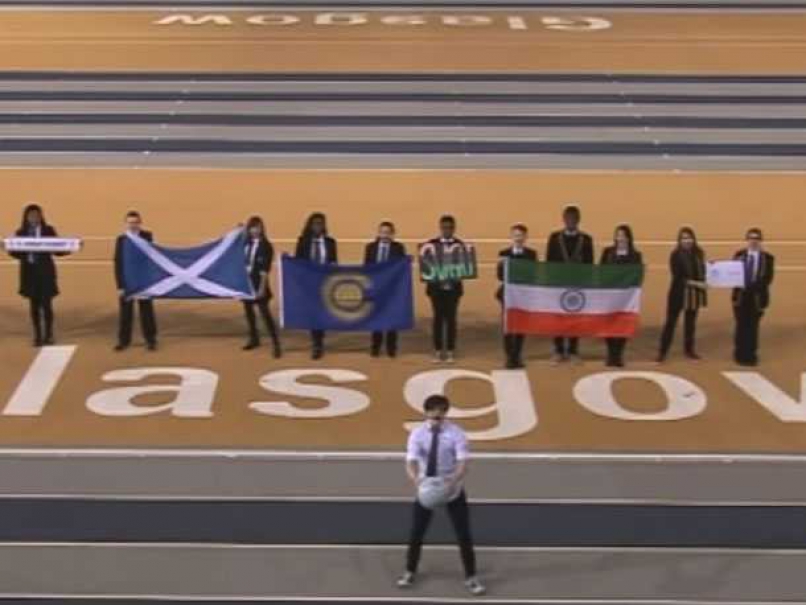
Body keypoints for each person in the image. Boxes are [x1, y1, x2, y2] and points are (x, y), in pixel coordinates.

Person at [397, 394, 485, 596]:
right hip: (427, 489)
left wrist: (451, 483)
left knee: (464, 535)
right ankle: (409, 571)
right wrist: (416, 480)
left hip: (452, 489)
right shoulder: (417, 435)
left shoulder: (457, 434)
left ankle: (471, 577)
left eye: (441, 414)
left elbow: (463, 463)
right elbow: (410, 460)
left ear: (445, 413)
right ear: (426, 413)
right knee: (416, 533)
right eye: (434, 414)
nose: (437, 417)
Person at [8, 204, 68, 347]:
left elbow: (57, 249)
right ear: (26, 218)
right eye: (31, 215)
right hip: (29, 274)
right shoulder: (21, 233)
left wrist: (71, 247)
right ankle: (38, 336)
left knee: (47, 306)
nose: (34, 218)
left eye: (37, 215)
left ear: (41, 216)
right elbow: (17, 254)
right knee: (34, 307)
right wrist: (8, 248)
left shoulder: (48, 231)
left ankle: (49, 334)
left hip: (45, 274)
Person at [546, 205, 594, 364]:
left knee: (575, 318)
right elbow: (549, 262)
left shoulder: (586, 240)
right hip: (558, 285)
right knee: (557, 318)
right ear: (564, 219)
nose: (570, 222)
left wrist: (587, 284)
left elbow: (589, 264)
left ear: (578, 221)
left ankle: (573, 350)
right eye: (568, 219)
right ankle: (558, 350)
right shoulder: (554, 238)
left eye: (573, 220)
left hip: (577, 285)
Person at [656, 226, 707, 363]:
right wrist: (697, 284)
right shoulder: (675, 255)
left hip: (693, 295)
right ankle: (662, 351)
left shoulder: (699, 253)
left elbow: (702, 270)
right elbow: (678, 277)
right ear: (680, 240)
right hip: (678, 294)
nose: (687, 241)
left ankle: (689, 350)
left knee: (690, 323)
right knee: (671, 322)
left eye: (689, 238)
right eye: (684, 238)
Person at [294, 212, 337, 360]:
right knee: (314, 313)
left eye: (321, 224)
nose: (318, 227)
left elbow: (334, 263)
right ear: (310, 226)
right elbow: (297, 263)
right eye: (315, 224)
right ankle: (317, 343)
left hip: (325, 283)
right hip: (309, 283)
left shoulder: (331, 242)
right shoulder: (303, 242)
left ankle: (320, 334)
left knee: (323, 312)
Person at [113, 211, 158, 352]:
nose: (133, 225)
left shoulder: (147, 236)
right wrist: (120, 285)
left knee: (147, 312)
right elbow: (118, 262)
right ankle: (123, 341)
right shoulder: (121, 239)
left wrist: (151, 281)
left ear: (140, 223)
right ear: (126, 223)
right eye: (130, 222)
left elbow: (152, 259)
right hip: (127, 282)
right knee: (125, 313)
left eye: (135, 222)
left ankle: (151, 340)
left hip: (143, 281)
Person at [599, 224, 643, 367]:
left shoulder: (635, 255)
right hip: (610, 295)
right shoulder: (607, 252)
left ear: (628, 238)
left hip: (626, 297)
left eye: (623, 235)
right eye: (618, 235)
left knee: (623, 324)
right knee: (609, 323)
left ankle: (619, 354)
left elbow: (638, 275)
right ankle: (611, 353)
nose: (620, 238)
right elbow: (601, 270)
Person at [496, 223, 538, 369]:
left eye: (520, 236)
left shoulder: (532, 254)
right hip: (508, 294)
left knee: (521, 326)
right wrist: (503, 266)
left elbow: (533, 274)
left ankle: (517, 355)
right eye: (515, 235)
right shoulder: (504, 254)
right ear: (512, 236)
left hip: (524, 296)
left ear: (525, 237)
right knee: (507, 326)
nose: (518, 238)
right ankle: (509, 356)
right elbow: (500, 276)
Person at [425, 215, 465, 364]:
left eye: (450, 228)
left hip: (453, 289)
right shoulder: (430, 245)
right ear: (440, 228)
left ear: (454, 229)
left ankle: (450, 350)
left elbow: (464, 268)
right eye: (444, 228)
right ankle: (437, 350)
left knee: (451, 320)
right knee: (437, 320)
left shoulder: (460, 245)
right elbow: (426, 266)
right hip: (436, 290)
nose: (447, 230)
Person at [732, 228, 774, 366]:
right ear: (747, 240)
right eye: (751, 238)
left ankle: (751, 355)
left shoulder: (768, 258)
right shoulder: (739, 255)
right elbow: (731, 273)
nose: (754, 241)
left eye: (756, 238)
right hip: (741, 297)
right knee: (741, 326)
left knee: (753, 327)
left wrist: (751, 286)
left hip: (757, 298)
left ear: (760, 240)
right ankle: (739, 353)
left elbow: (768, 278)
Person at [364, 220, 406, 358]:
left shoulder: (398, 248)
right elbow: (366, 268)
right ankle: (375, 346)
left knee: (392, 318)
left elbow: (401, 268)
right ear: (378, 233)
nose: (384, 235)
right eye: (382, 232)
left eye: (387, 233)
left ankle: (391, 347)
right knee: (376, 317)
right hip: (376, 287)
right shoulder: (370, 248)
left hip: (392, 288)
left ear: (392, 234)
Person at [242, 216, 282, 358]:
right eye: (252, 227)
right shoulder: (246, 243)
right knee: (249, 313)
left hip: (259, 284)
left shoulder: (266, 246)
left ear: (262, 229)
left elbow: (265, 270)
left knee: (265, 314)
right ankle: (254, 338)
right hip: (246, 284)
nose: (255, 230)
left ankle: (276, 342)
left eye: (257, 227)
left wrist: (261, 288)